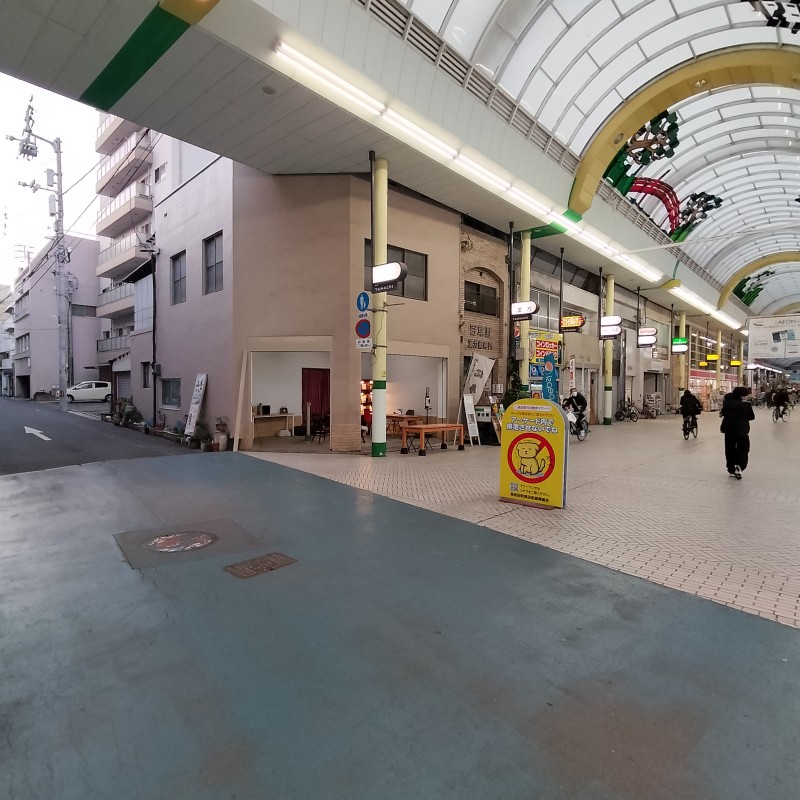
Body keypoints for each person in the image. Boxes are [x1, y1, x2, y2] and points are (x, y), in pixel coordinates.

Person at [719, 386, 755, 480]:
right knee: (743, 449)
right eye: (745, 395)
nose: (746, 397)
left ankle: (731, 469)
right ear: (741, 396)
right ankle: (739, 465)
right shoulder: (746, 405)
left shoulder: (727, 403)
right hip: (742, 431)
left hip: (729, 430)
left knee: (729, 449)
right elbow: (752, 417)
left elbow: (722, 414)